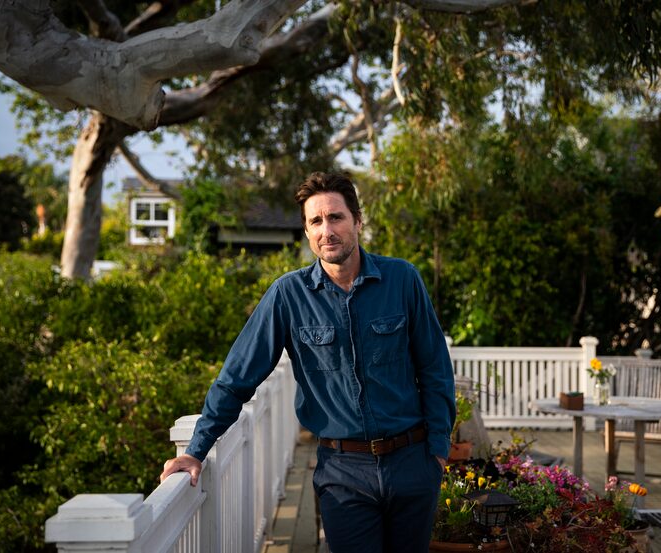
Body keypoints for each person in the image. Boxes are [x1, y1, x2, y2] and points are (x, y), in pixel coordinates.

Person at [160, 172, 455, 553]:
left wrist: (438, 450)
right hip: (342, 472)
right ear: (306, 230)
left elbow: (435, 369)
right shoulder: (288, 295)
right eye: (315, 221)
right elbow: (236, 379)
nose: (326, 230)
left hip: (412, 464)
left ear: (358, 221)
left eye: (336, 217)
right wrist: (196, 450)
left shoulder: (403, 279)